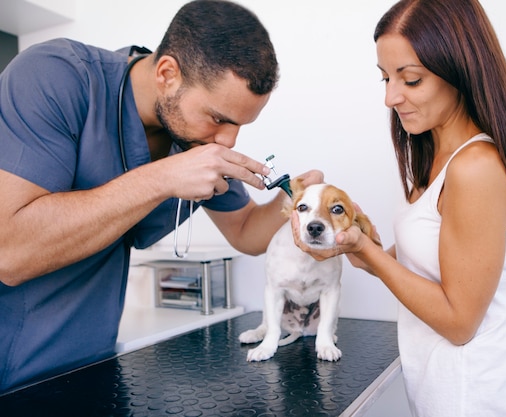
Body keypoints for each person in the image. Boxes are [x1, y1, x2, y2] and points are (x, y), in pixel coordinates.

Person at [0, 0, 321, 393]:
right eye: (220, 118)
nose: (229, 140)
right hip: (11, 363)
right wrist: (162, 179)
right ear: (167, 73)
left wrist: (298, 201)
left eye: (239, 125)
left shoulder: (193, 138)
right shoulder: (55, 76)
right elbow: (9, 252)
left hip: (87, 362)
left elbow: (245, 231)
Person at [292, 0, 506, 416]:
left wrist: (368, 251)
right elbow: (413, 269)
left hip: (479, 402)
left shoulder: (476, 167)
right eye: (385, 78)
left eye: (410, 80)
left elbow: (459, 322)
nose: (391, 97)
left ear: (459, 70)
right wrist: (355, 241)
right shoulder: (436, 158)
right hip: (442, 399)